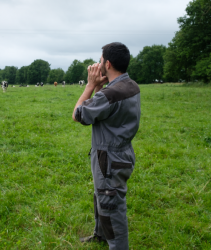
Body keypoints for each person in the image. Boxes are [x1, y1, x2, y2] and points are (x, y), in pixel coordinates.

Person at [72, 42, 140, 250]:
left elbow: (78, 114)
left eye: (100, 60)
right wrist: (101, 88)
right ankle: (100, 234)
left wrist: (90, 86)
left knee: (111, 205)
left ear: (107, 63)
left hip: (108, 159)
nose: (98, 64)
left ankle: (117, 245)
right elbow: (106, 108)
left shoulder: (108, 95)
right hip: (121, 153)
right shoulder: (130, 86)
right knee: (103, 196)